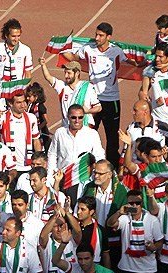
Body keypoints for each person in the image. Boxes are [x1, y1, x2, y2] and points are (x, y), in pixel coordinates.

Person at [61, 22, 142, 165]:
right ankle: (85, 163)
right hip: (93, 99)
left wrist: (146, 62)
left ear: (108, 37)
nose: (97, 38)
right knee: (87, 131)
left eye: (101, 35)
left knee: (112, 136)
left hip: (111, 100)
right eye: (96, 35)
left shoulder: (116, 51)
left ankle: (112, 166)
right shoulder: (88, 49)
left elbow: (133, 62)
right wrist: (60, 48)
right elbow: (73, 57)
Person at [38, 58, 101, 128]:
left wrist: (87, 111)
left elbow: (98, 107)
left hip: (84, 128)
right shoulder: (62, 86)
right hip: (67, 128)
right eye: (65, 73)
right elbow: (48, 77)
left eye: (69, 73)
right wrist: (43, 65)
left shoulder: (87, 87)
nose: (66, 76)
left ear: (77, 73)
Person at [47, 105, 105, 179]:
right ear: (68, 117)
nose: (77, 120)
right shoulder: (60, 132)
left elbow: (99, 155)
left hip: (84, 177)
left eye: (80, 117)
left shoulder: (92, 134)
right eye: (73, 117)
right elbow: (52, 154)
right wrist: (50, 174)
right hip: (64, 177)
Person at [140, 15, 168, 100]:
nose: (159, 30)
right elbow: (156, 49)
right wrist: (148, 53)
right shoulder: (159, 35)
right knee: (147, 72)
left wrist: (166, 65)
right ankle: (145, 94)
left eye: (160, 28)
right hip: (161, 58)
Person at [0, 93, 42, 173]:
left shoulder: (31, 118)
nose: (23, 105)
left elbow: (36, 140)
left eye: (24, 101)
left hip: (27, 166)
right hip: (8, 167)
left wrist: (39, 159)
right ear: (10, 103)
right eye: (19, 102)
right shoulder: (2, 118)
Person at [0, 18, 33, 82]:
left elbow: (28, 74)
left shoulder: (26, 50)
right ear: (6, 35)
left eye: (18, 36)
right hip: (1, 86)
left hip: (18, 87)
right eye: (13, 36)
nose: (16, 39)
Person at [72, 196, 110, 267]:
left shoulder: (100, 230)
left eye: (82, 209)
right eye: (78, 208)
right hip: (75, 268)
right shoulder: (72, 227)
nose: (78, 212)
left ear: (91, 212)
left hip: (94, 268)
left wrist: (108, 272)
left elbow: (105, 254)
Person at [25, 82, 50, 149]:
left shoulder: (40, 106)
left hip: (42, 134)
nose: (27, 98)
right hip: (33, 132)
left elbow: (46, 120)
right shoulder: (30, 105)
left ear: (36, 97)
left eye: (29, 96)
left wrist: (38, 128)